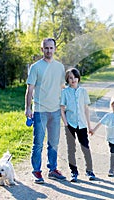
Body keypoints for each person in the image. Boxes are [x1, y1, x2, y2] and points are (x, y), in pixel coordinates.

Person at [24, 38, 66, 184]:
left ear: (55, 49)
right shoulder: (35, 67)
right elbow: (29, 90)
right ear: (42, 49)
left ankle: (53, 169)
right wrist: (28, 108)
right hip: (40, 111)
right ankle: (36, 171)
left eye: (51, 48)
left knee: (54, 143)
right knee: (38, 143)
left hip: (55, 110)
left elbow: (62, 88)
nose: (49, 50)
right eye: (46, 48)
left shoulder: (60, 67)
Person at [60, 67, 95, 182]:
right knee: (71, 149)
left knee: (85, 147)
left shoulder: (83, 91)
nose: (73, 79)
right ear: (67, 80)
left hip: (82, 125)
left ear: (78, 78)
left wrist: (89, 126)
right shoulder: (65, 92)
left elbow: (86, 109)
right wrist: (65, 123)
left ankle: (89, 170)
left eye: (75, 77)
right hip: (70, 124)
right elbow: (62, 109)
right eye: (70, 78)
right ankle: (73, 172)